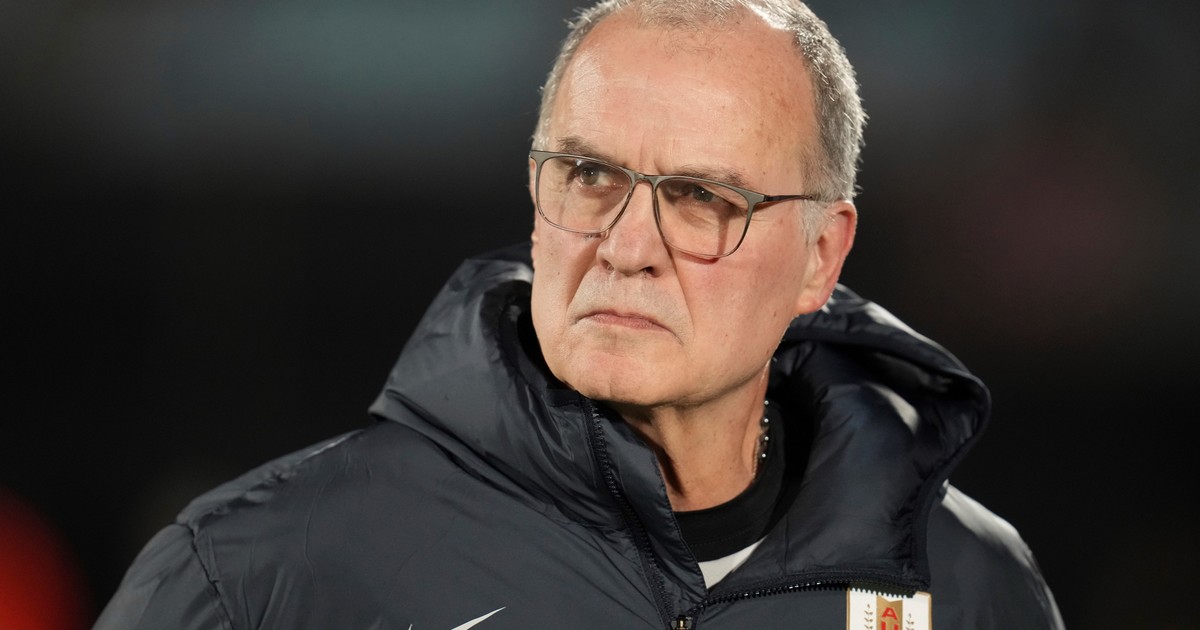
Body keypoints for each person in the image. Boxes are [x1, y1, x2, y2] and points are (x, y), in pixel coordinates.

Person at [95, 1, 1063, 628]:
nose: (627, 245)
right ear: (535, 191)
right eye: (589, 175)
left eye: (701, 198)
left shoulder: (966, 588)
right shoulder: (256, 577)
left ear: (821, 256)